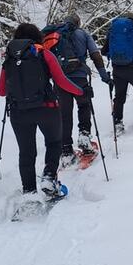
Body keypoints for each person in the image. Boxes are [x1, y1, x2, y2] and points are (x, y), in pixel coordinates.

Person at [0, 23, 84, 197]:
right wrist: (81, 91)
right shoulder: (44, 53)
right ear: (37, 36)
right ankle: (49, 178)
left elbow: (1, 91)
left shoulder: (9, 58)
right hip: (46, 109)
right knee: (54, 143)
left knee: (26, 151)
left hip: (18, 112)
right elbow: (61, 81)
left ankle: (29, 192)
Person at [41, 14, 112, 163]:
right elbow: (95, 55)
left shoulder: (53, 35)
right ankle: (84, 137)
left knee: (64, 114)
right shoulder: (83, 34)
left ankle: (66, 150)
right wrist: (104, 76)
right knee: (84, 106)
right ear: (78, 23)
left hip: (60, 81)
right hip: (79, 79)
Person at [101, 14, 133, 135]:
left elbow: (103, 51)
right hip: (132, 69)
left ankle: (118, 123)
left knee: (119, 97)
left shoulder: (113, 30)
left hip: (117, 70)